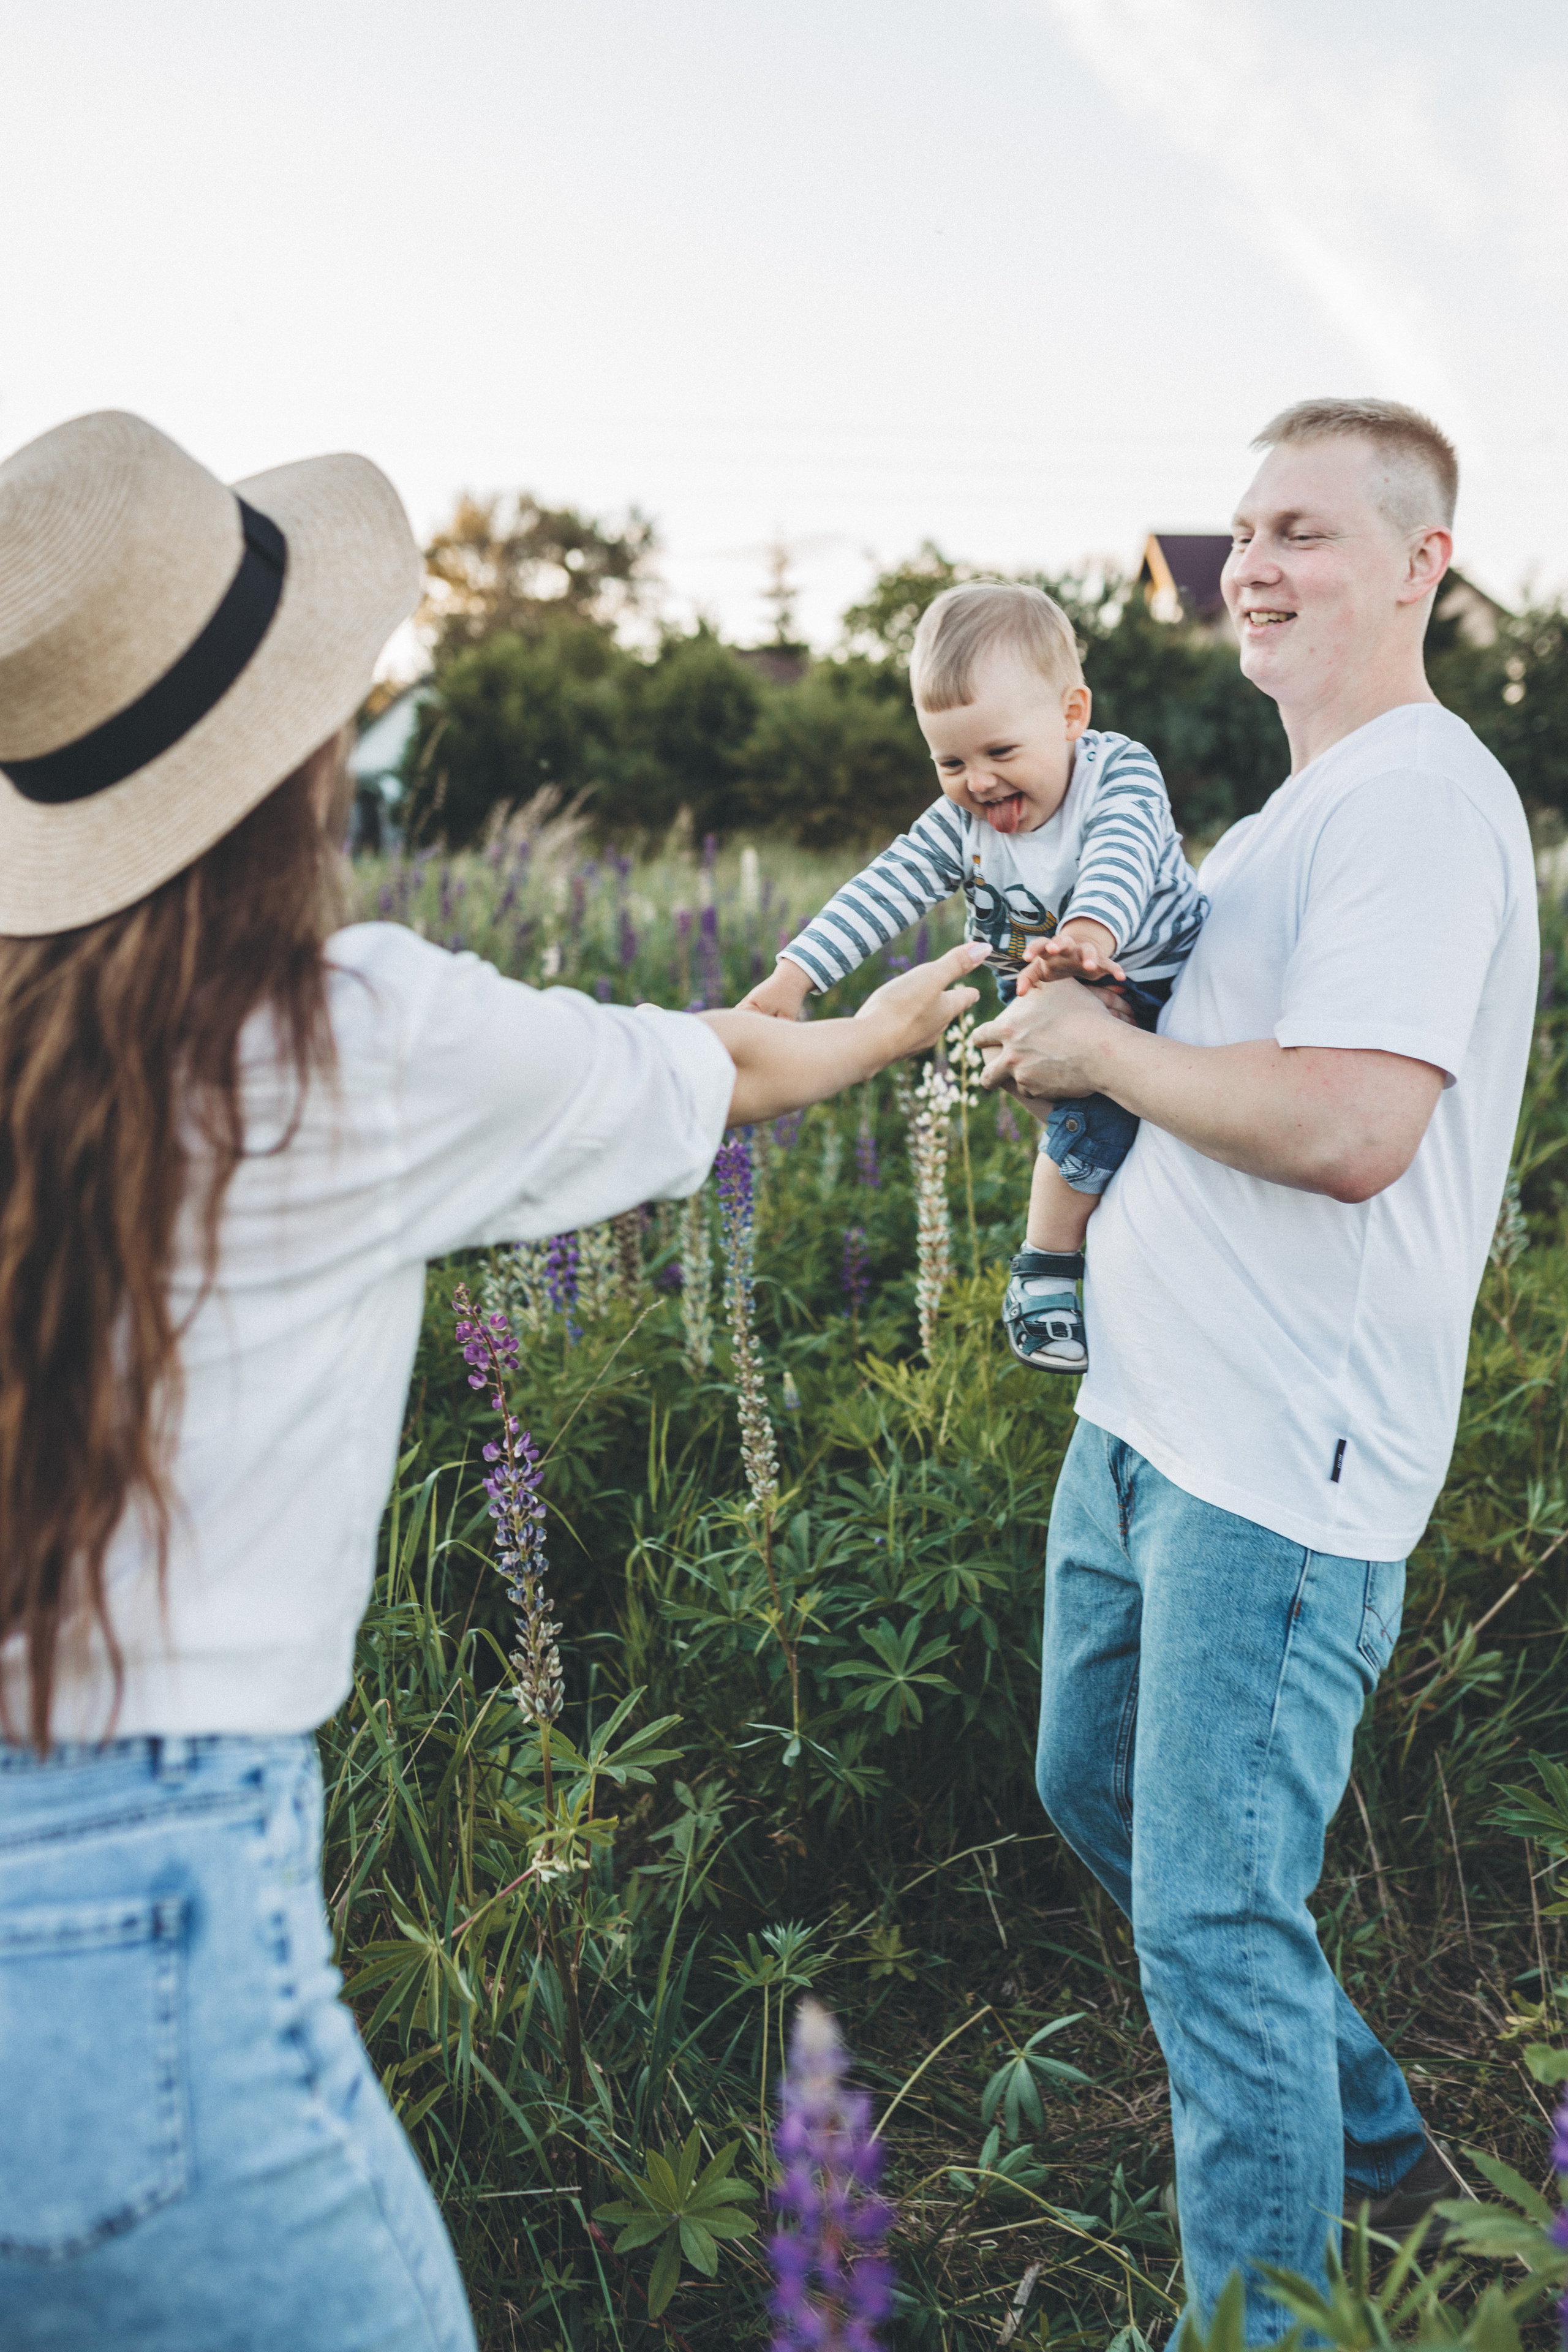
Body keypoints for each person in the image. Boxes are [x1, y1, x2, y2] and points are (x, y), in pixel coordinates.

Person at [0, 410, 986, 2352]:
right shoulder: (347, 1040)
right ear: (292, 767)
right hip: (137, 1892)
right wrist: (871, 1025)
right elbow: (723, 1071)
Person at [974, 399, 1537, 2342]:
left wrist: (1102, 1061)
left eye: (1303, 527)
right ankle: (1384, 2160)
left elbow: (1360, 1124)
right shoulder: (1300, 809)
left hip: (1276, 1471)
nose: (1257, 566)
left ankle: (1274, 2320)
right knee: (1091, 1791)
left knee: (1213, 1916)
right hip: (1147, 1422)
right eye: (1241, 533)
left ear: (1421, 565)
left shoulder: (1416, 800)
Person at [739, 581, 1206, 1373]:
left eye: (1000, 753)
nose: (978, 782)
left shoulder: (1117, 772)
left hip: (1157, 971)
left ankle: (1108, 1256)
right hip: (1052, 986)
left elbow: (1122, 855)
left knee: (1181, 1137)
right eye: (950, 761)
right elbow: (883, 888)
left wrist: (1086, 936)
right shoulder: (960, 822)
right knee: (1093, 1127)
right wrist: (795, 976)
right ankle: (1045, 1268)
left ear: (1071, 717)